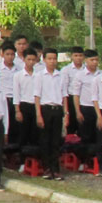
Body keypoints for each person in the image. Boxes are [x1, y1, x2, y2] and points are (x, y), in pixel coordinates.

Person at [34, 49, 67, 181]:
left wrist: (66, 113)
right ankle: (47, 168)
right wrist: (38, 114)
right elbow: (37, 96)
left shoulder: (61, 76)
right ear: (44, 59)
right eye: (49, 59)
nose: (52, 61)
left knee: (56, 140)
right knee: (45, 140)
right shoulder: (40, 75)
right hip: (45, 109)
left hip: (57, 109)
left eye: (54, 58)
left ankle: (56, 169)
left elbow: (64, 96)